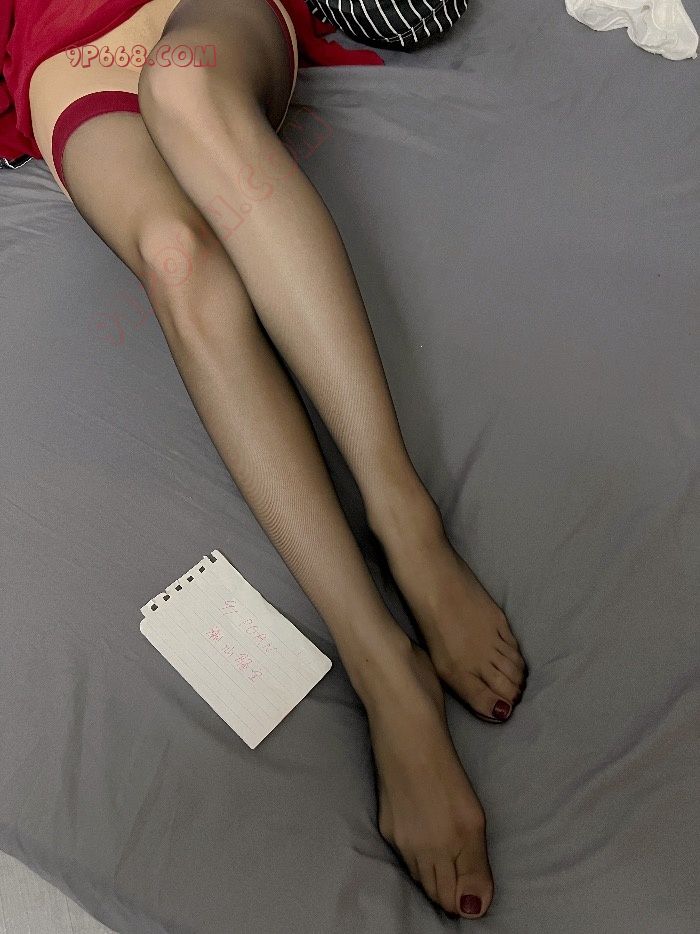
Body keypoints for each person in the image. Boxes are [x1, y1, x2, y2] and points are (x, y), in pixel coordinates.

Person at [7, 0, 526, 919]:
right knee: (174, 256)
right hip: (56, 41)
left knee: (185, 87)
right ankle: (381, 666)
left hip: (194, 13)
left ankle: (404, 521)